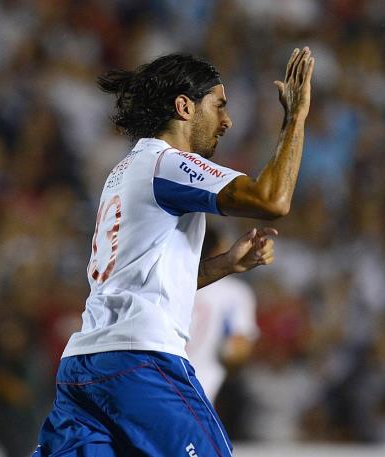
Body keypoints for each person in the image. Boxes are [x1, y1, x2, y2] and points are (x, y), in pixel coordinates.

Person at [34, 47, 314, 457]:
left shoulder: (123, 172)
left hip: (84, 366)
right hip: (140, 363)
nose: (227, 121)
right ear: (184, 107)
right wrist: (295, 118)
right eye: (219, 105)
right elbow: (273, 200)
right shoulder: (166, 164)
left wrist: (224, 264)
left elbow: (141, 281)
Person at [187, 227, 259, 403]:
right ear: (217, 250)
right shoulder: (234, 293)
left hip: (149, 376)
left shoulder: (167, 278)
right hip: (197, 391)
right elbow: (238, 352)